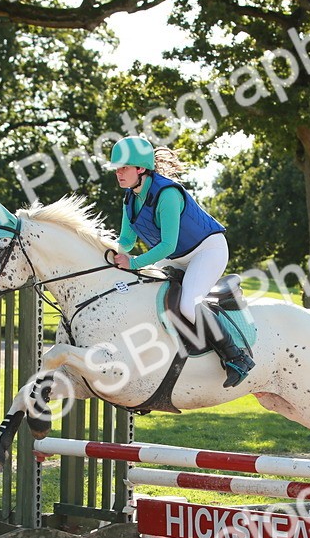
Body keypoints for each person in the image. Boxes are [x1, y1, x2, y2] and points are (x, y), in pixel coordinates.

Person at [107, 135, 254, 387]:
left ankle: (237, 357)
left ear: (141, 169)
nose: (118, 173)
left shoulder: (167, 194)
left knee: (188, 304)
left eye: (124, 168)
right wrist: (109, 252)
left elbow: (167, 245)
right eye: (117, 169)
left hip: (207, 250)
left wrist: (133, 263)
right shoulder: (129, 199)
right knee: (146, 292)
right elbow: (126, 242)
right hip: (177, 257)